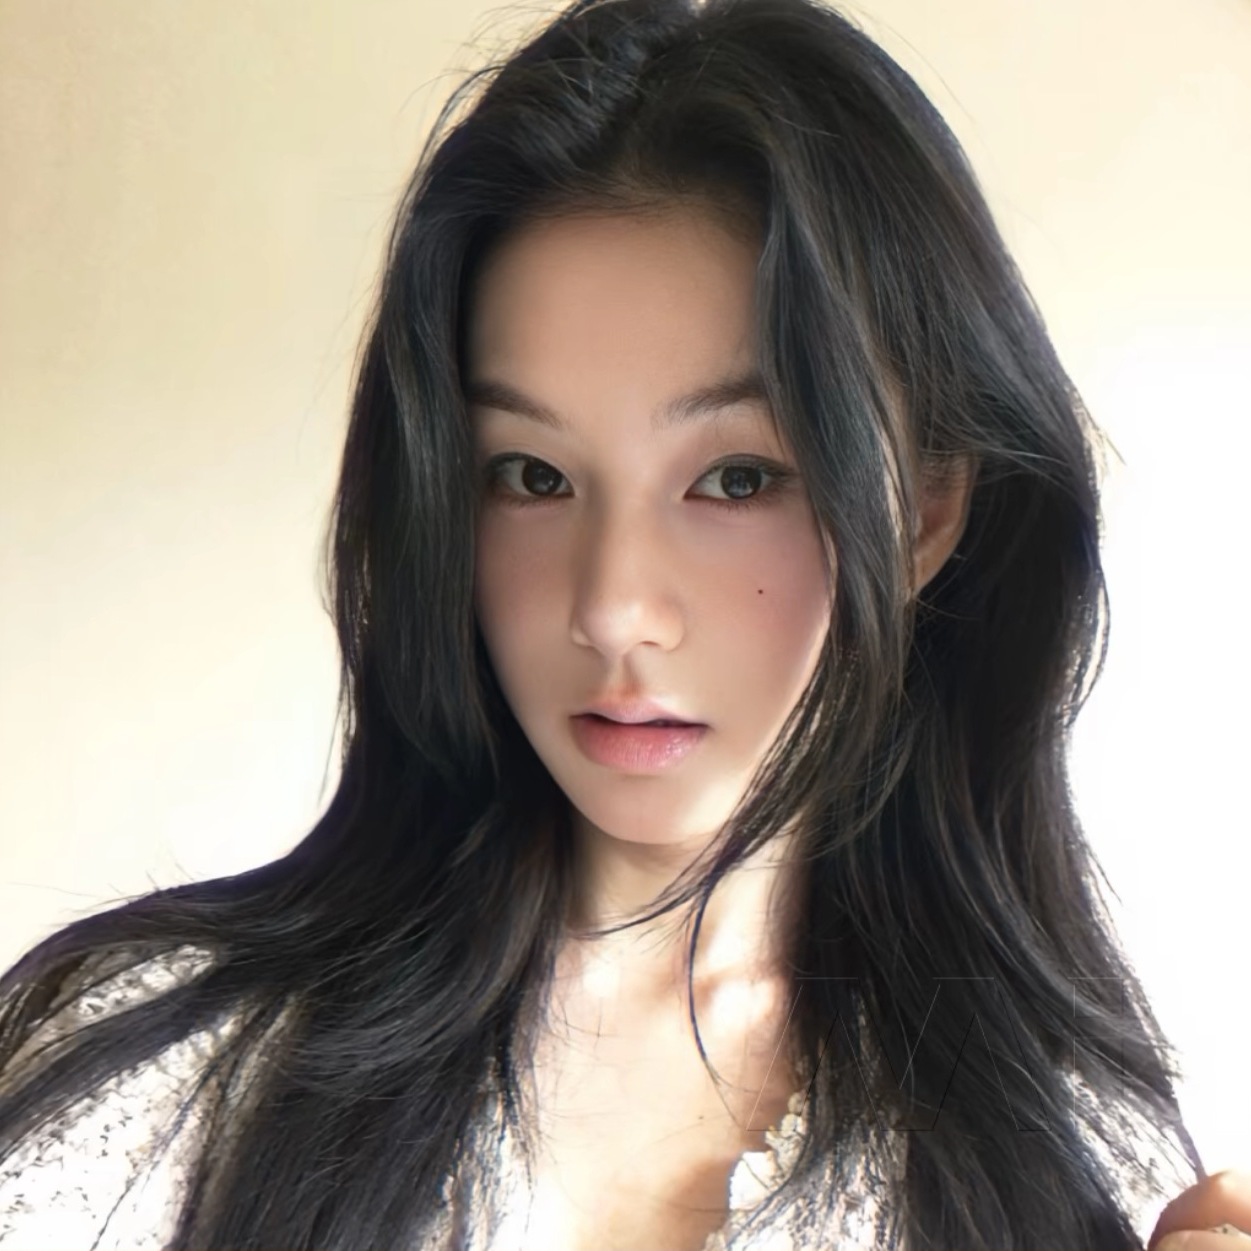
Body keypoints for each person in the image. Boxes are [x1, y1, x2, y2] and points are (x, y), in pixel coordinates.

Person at [0, 0, 1247, 1247]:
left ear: (926, 510)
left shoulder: (1080, 1153)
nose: (612, 610)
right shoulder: (157, 1077)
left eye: (739, 478)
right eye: (532, 476)